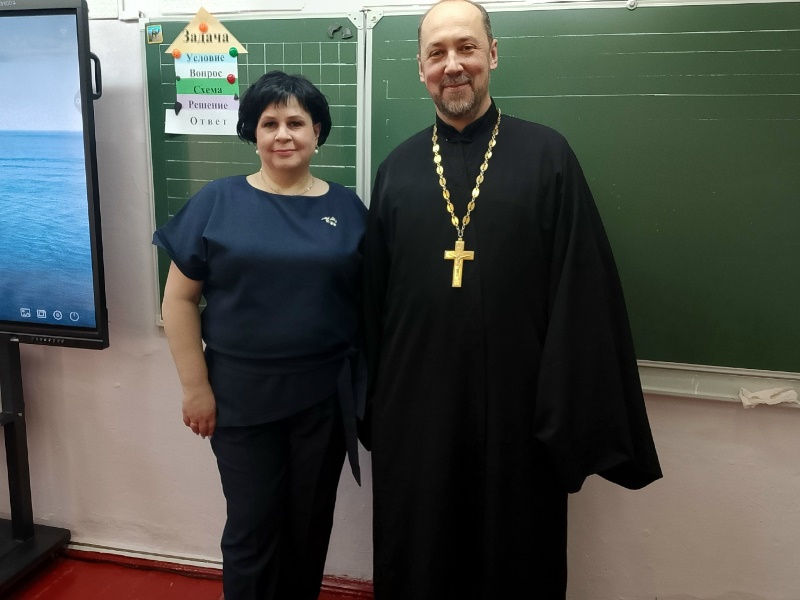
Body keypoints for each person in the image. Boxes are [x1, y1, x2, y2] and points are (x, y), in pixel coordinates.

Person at [361, 1, 662, 598]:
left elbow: (584, 294)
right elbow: (373, 306)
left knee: (517, 562)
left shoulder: (548, 156)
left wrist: (562, 414)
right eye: (437, 52)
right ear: (420, 67)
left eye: (466, 48)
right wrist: (378, 411)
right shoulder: (396, 169)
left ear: (492, 55)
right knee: (421, 559)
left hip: (521, 415)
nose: (452, 64)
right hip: (418, 418)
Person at [153, 71, 366, 600]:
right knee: (253, 528)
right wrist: (195, 388)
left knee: (309, 526)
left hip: (323, 400)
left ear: (317, 132)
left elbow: (368, 304)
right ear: (253, 133)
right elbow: (178, 301)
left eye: (296, 122)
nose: (283, 134)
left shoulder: (348, 209)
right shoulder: (218, 201)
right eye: (269, 123)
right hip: (240, 399)